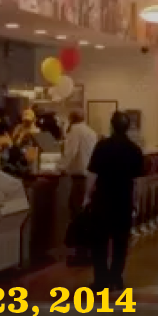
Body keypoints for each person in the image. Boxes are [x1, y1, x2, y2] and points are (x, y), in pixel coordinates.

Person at [86, 111, 145, 291]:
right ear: (128, 127)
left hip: (103, 198)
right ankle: (116, 277)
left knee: (99, 241)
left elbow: (92, 175)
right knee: (121, 241)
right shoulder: (134, 150)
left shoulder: (102, 146)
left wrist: (87, 197)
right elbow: (138, 181)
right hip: (124, 199)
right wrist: (137, 202)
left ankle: (100, 279)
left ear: (111, 126)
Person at [61, 111, 99, 266]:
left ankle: (79, 251)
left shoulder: (75, 131)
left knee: (77, 212)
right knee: (86, 213)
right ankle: (87, 250)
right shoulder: (91, 132)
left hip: (79, 178)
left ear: (71, 118)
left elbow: (71, 152)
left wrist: (60, 167)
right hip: (90, 176)